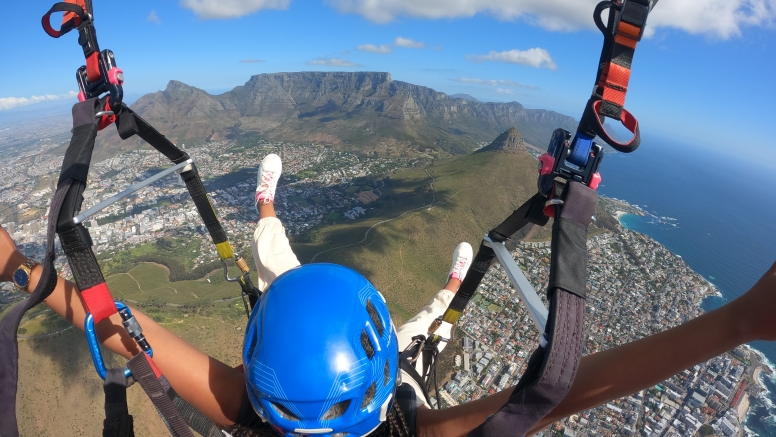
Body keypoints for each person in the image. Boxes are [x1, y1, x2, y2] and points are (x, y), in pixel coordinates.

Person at [1, 152, 775, 437]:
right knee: (430, 322)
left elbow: (117, 321)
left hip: (332, 372)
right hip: (396, 369)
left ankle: (267, 207)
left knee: (278, 267)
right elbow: (558, 390)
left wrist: (19, 271)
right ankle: (443, 283)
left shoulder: (241, 402)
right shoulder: (414, 427)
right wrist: (742, 319)